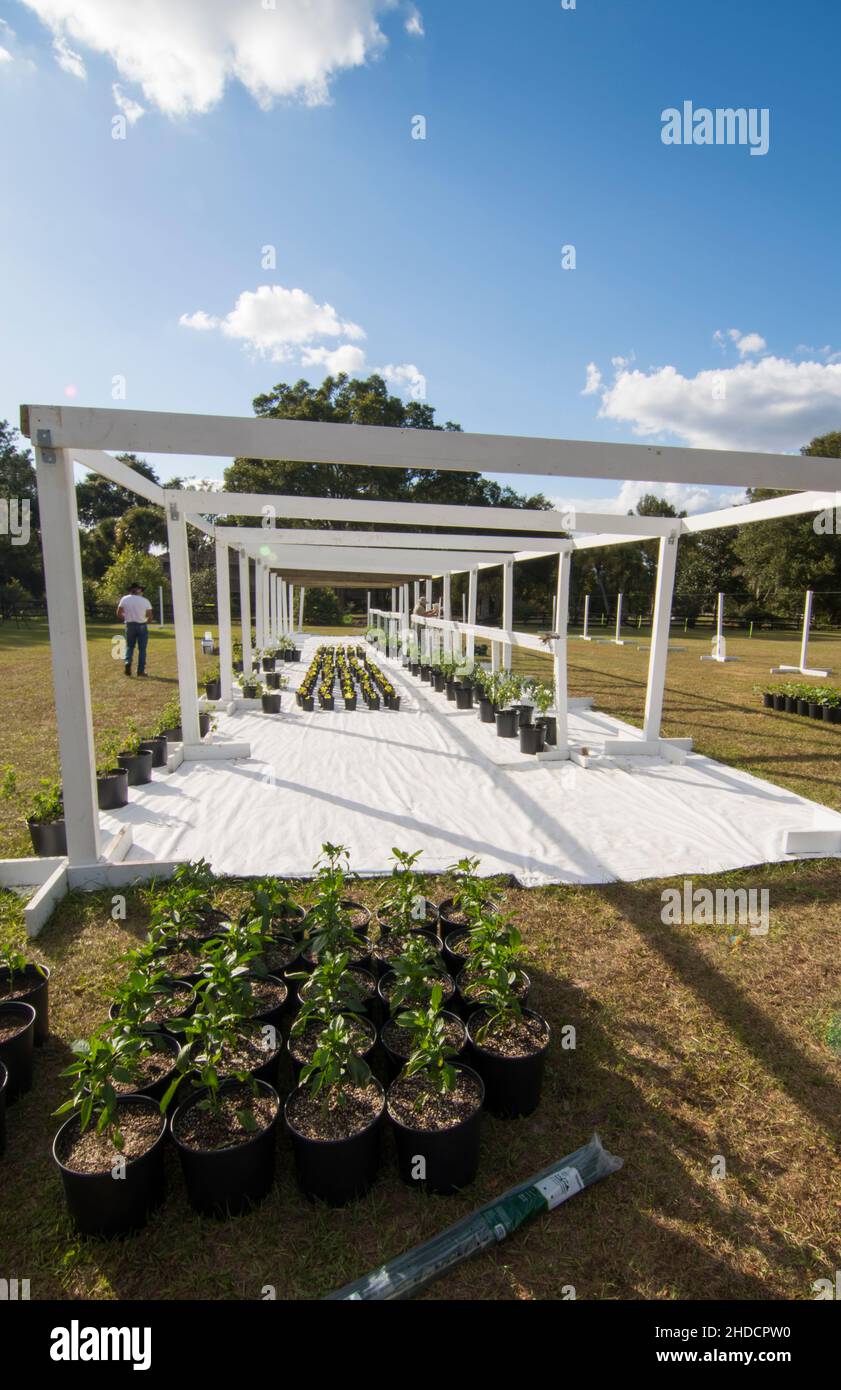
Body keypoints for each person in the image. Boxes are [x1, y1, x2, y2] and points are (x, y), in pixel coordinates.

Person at [117, 583, 153, 677]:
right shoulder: (145, 601)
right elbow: (149, 616)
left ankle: (127, 662)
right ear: (139, 591)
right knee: (142, 649)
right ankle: (140, 671)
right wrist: (147, 621)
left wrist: (126, 618)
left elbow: (119, 613)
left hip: (129, 625)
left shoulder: (124, 599)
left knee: (129, 647)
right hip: (141, 625)